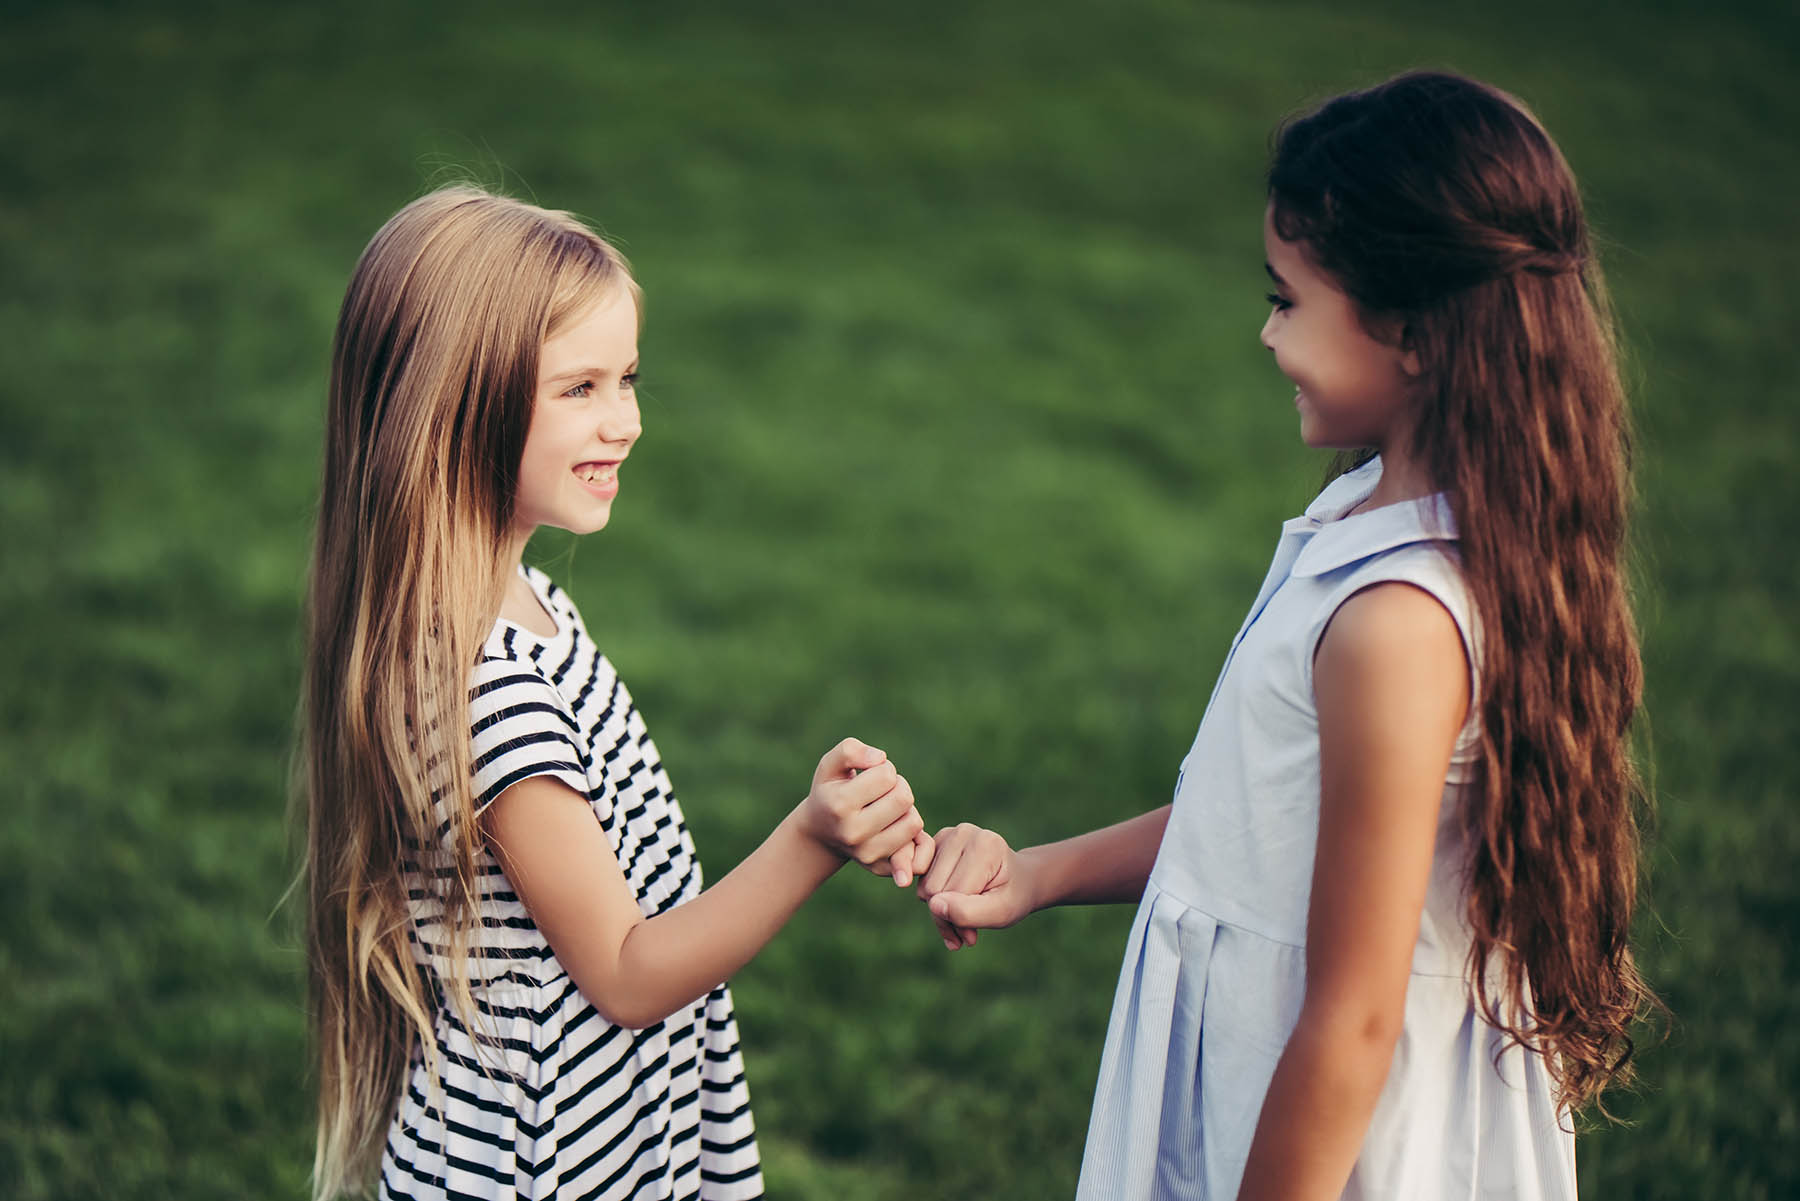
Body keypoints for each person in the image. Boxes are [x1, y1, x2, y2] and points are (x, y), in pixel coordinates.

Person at [916, 71, 1657, 1200]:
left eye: (1288, 300)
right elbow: (1258, 822)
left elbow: (1356, 1019)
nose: (1266, 334)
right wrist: (1035, 874)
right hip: (1275, 1089)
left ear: (1408, 328)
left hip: (1339, 1147)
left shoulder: (1397, 623)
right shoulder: (1364, 526)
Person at [298, 186, 934, 1201]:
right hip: (541, 1160)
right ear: (459, 403)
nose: (626, 421)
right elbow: (629, 970)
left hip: (600, 1119)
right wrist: (811, 838)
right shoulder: (486, 692)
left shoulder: (529, 603)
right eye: (581, 387)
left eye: (628, 378)